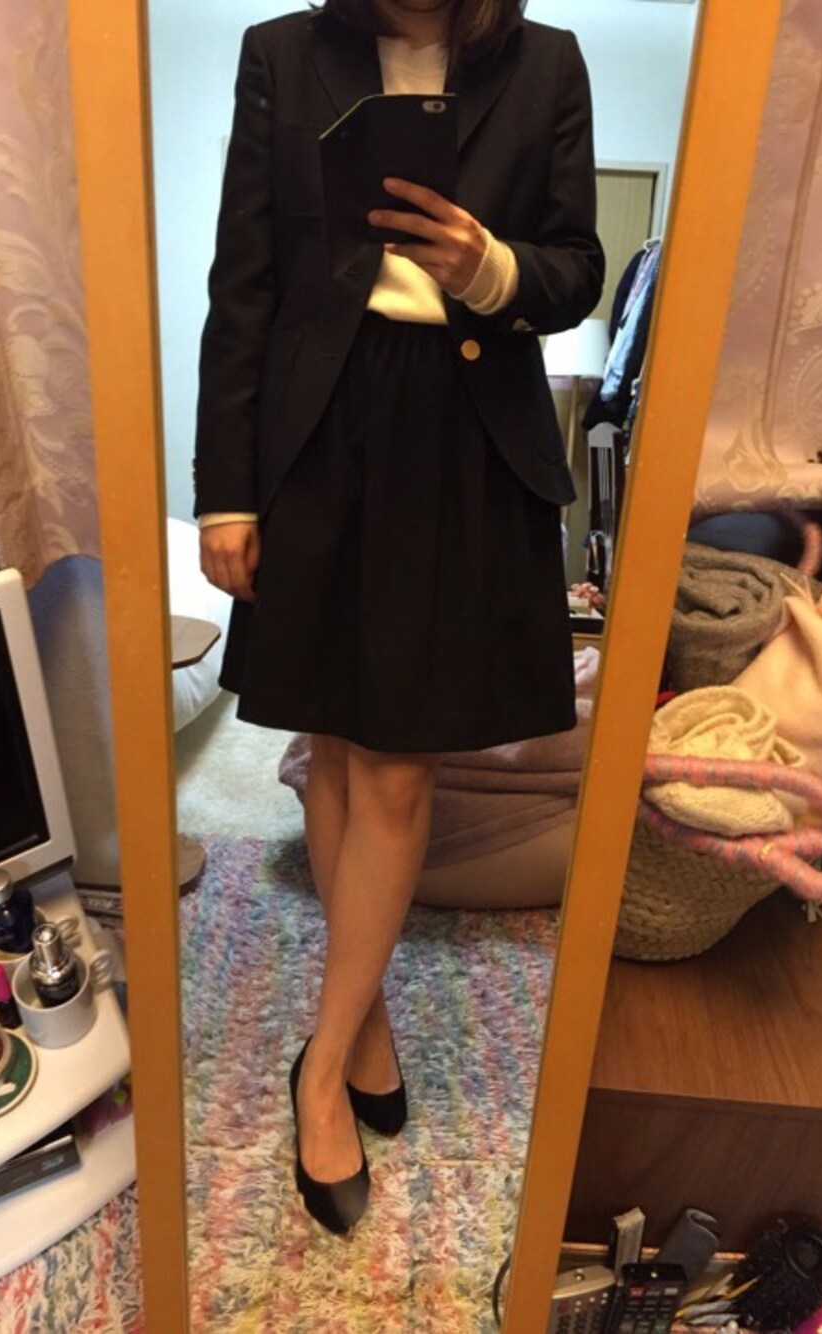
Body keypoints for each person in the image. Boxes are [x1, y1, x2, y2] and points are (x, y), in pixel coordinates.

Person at [194, 0, 604, 1234]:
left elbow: (576, 267)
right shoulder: (282, 54)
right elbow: (245, 282)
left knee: (397, 763)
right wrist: (224, 492)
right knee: (332, 738)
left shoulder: (547, 63)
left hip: (462, 433)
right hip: (317, 430)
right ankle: (359, 1014)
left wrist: (489, 268)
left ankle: (318, 1064)